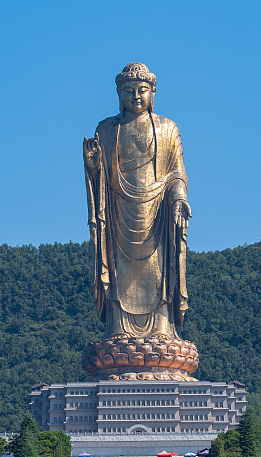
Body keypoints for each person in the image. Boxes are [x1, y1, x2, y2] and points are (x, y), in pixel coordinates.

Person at [83, 63, 192, 340]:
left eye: (142, 90)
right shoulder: (106, 129)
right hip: (119, 214)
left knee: (159, 273)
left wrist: (178, 198)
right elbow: (101, 176)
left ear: (152, 93)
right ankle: (118, 329)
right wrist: (94, 167)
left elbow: (177, 173)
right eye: (128, 91)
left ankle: (163, 330)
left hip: (158, 216)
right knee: (119, 270)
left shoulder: (168, 129)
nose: (135, 97)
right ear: (119, 94)